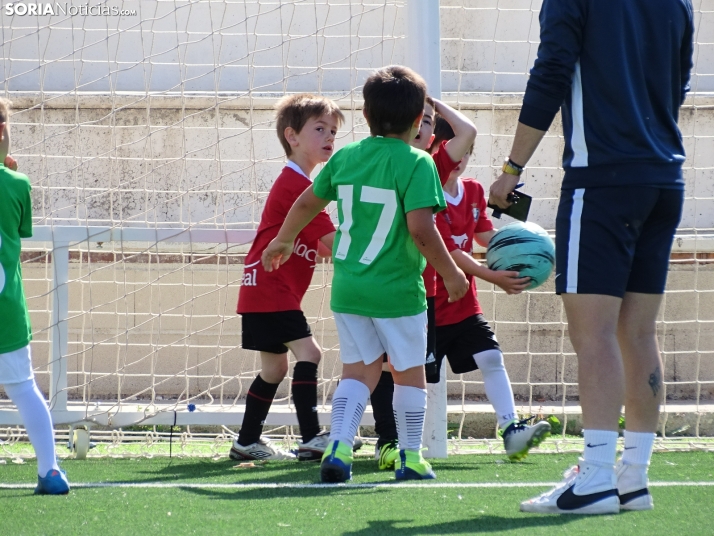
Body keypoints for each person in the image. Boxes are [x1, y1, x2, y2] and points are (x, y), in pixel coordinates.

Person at [489, 0, 694, 514]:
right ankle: (633, 478)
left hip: (601, 180)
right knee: (639, 332)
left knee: (594, 332)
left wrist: (512, 169)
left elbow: (552, 70)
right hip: (664, 179)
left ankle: (597, 476)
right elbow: (681, 76)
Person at [262, 65, 469, 483]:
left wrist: (283, 240)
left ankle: (338, 447)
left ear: (365, 113)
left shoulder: (346, 156)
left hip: (350, 288)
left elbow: (305, 204)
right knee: (410, 373)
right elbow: (421, 229)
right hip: (397, 292)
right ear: (417, 122)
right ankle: (411, 457)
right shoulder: (418, 163)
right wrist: (451, 274)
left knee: (358, 372)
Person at [430, 118, 551, 460]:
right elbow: (450, 252)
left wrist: (528, 248)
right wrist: (492, 276)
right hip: (425, 304)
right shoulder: (425, 189)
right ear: (436, 150)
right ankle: (390, 437)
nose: (461, 159)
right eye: (455, 151)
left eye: (468, 152)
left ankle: (511, 430)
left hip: (463, 304)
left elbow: (485, 236)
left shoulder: (473, 191)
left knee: (491, 358)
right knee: (412, 378)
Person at [368, 95, 477, 471]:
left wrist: (434, 103)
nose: (425, 124)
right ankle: (388, 442)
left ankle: (402, 445)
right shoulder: (373, 161)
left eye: (430, 121)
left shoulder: (431, 165)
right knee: (378, 365)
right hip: (384, 284)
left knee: (408, 369)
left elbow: (468, 132)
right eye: (421, 117)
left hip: (421, 291)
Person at [232, 94, 343, 462]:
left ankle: (246, 442)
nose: (329, 137)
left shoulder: (302, 183)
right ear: (292, 136)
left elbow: (323, 248)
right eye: (319, 129)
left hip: (260, 288)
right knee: (310, 352)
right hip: (270, 286)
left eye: (333, 131)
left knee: (275, 367)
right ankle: (312, 437)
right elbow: (332, 243)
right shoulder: (299, 186)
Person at [0, 97, 70, 495]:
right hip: (6, 314)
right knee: (24, 388)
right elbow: (21, 228)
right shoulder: (17, 184)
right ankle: (49, 470)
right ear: (3, 131)